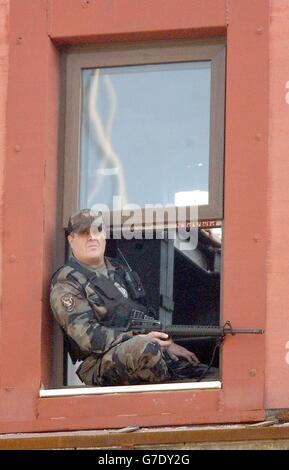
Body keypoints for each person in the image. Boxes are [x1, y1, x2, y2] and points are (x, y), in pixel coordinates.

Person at [50, 209, 212, 386]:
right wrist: (141, 338)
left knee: (211, 375)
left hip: (142, 352)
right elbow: (86, 337)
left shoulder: (120, 269)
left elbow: (140, 317)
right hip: (99, 362)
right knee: (146, 348)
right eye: (83, 233)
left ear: (104, 234)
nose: (91, 237)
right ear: (71, 240)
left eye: (96, 231)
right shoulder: (66, 281)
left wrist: (166, 343)